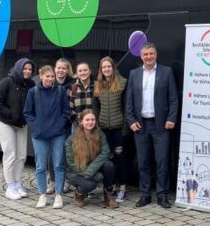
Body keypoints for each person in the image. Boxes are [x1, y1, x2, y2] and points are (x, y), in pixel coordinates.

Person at [125, 42, 179, 209]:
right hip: (140, 125)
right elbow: (129, 101)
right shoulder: (134, 74)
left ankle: (162, 195)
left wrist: (171, 118)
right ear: (141, 56)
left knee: (162, 161)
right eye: (145, 54)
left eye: (151, 54)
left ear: (156, 55)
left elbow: (173, 99)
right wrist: (131, 120)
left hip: (161, 125)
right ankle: (145, 194)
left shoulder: (166, 72)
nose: (148, 57)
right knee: (143, 162)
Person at [24, 65, 71, 210]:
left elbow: (66, 111)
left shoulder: (60, 91)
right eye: (47, 76)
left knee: (58, 165)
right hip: (40, 135)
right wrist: (37, 125)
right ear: (41, 76)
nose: (50, 79)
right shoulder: (33, 92)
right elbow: (27, 113)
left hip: (57, 134)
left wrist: (60, 125)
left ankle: (58, 194)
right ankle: (42, 194)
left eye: (52, 76)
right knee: (40, 166)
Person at [0, 58, 35, 200]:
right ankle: (10, 187)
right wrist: (11, 114)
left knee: (21, 155)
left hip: (21, 124)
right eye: (25, 69)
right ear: (18, 68)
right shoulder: (7, 82)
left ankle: (17, 183)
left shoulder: (31, 85)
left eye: (30, 69)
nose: (27, 71)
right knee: (10, 154)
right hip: (6, 123)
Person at [93, 56, 129, 203]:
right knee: (107, 159)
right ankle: (111, 187)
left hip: (119, 128)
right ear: (101, 70)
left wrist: (125, 128)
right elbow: (95, 108)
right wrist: (96, 127)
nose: (106, 69)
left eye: (109, 66)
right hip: (103, 129)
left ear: (113, 67)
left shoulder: (122, 82)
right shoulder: (98, 85)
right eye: (104, 67)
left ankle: (123, 188)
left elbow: (126, 107)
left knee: (120, 158)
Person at [65, 109, 117, 208]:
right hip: (77, 171)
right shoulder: (72, 139)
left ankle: (108, 195)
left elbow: (105, 152)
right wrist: (95, 175)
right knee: (90, 185)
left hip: (93, 168)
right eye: (87, 120)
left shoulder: (99, 133)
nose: (90, 122)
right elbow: (71, 163)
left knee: (109, 166)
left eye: (92, 120)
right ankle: (79, 194)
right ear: (81, 121)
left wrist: (91, 171)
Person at [47, 57, 76, 194]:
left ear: (68, 70)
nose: (61, 70)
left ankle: (65, 180)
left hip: (66, 124)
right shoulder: (49, 83)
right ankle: (52, 180)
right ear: (55, 68)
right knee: (51, 153)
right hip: (50, 125)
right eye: (59, 67)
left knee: (65, 152)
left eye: (64, 68)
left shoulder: (73, 84)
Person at [70, 62, 95, 131]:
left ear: (90, 71)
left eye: (85, 70)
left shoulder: (96, 86)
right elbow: (69, 109)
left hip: (94, 125)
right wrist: (79, 121)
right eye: (80, 71)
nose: (83, 73)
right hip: (77, 126)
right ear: (77, 73)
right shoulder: (73, 88)